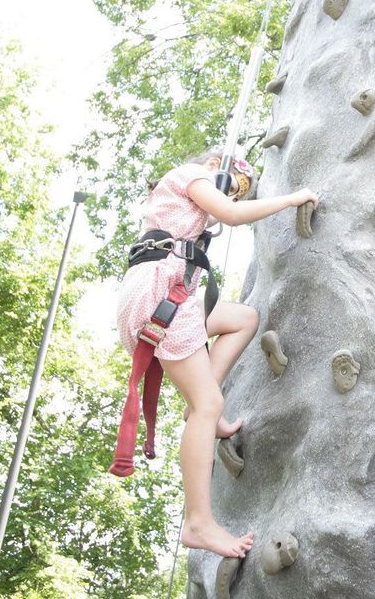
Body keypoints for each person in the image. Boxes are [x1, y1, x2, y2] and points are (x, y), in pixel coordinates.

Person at [115, 149, 318, 560]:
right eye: (236, 185)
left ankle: (202, 411)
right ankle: (198, 522)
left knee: (243, 318)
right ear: (215, 168)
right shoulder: (190, 174)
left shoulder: (179, 206)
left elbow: (219, 214)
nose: (237, 195)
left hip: (169, 295)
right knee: (210, 402)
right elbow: (230, 214)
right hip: (160, 294)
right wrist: (292, 199)